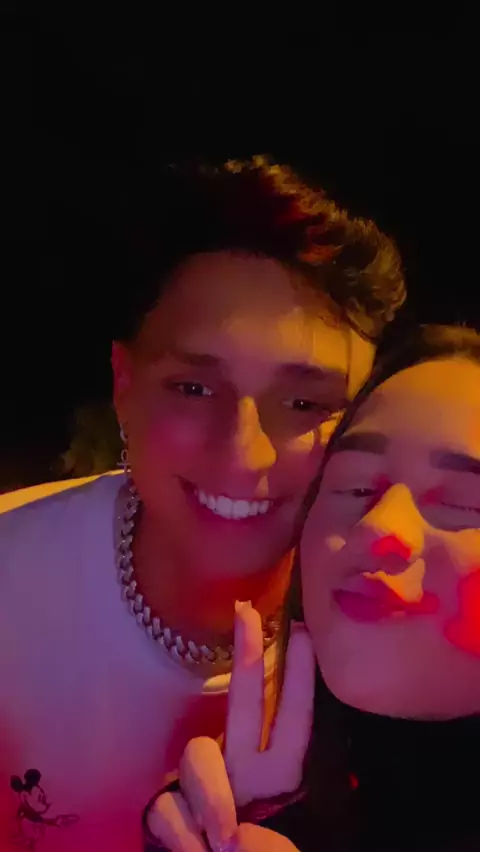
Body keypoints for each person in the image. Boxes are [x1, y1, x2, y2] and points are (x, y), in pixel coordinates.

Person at [0, 156, 404, 851]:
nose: (243, 453)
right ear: (123, 385)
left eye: (304, 404)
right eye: (193, 389)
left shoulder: (399, 635)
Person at [148, 324, 480, 852]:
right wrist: (228, 825)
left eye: (464, 503)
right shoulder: (272, 798)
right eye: (355, 486)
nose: (377, 526)